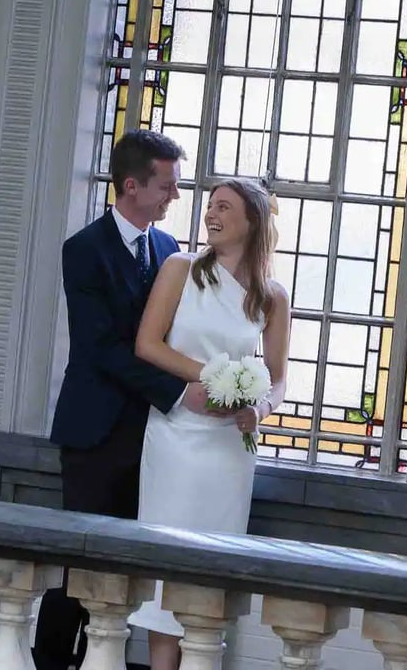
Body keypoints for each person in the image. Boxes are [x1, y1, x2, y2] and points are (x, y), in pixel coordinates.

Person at [33, 130, 211, 670]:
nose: (174, 197)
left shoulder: (168, 251)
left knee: (123, 571)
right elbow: (101, 346)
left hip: (154, 436)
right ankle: (50, 662)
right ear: (131, 186)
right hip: (95, 432)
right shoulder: (83, 250)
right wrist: (181, 391)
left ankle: (97, 661)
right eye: (167, 186)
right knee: (80, 564)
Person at [128, 177, 290, 670]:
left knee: (209, 576)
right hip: (176, 437)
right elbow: (147, 345)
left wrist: (255, 409)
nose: (210, 215)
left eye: (224, 207)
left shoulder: (272, 296)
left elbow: (279, 380)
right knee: (165, 571)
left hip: (227, 451)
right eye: (210, 206)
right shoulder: (180, 269)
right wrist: (213, 377)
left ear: (252, 222)